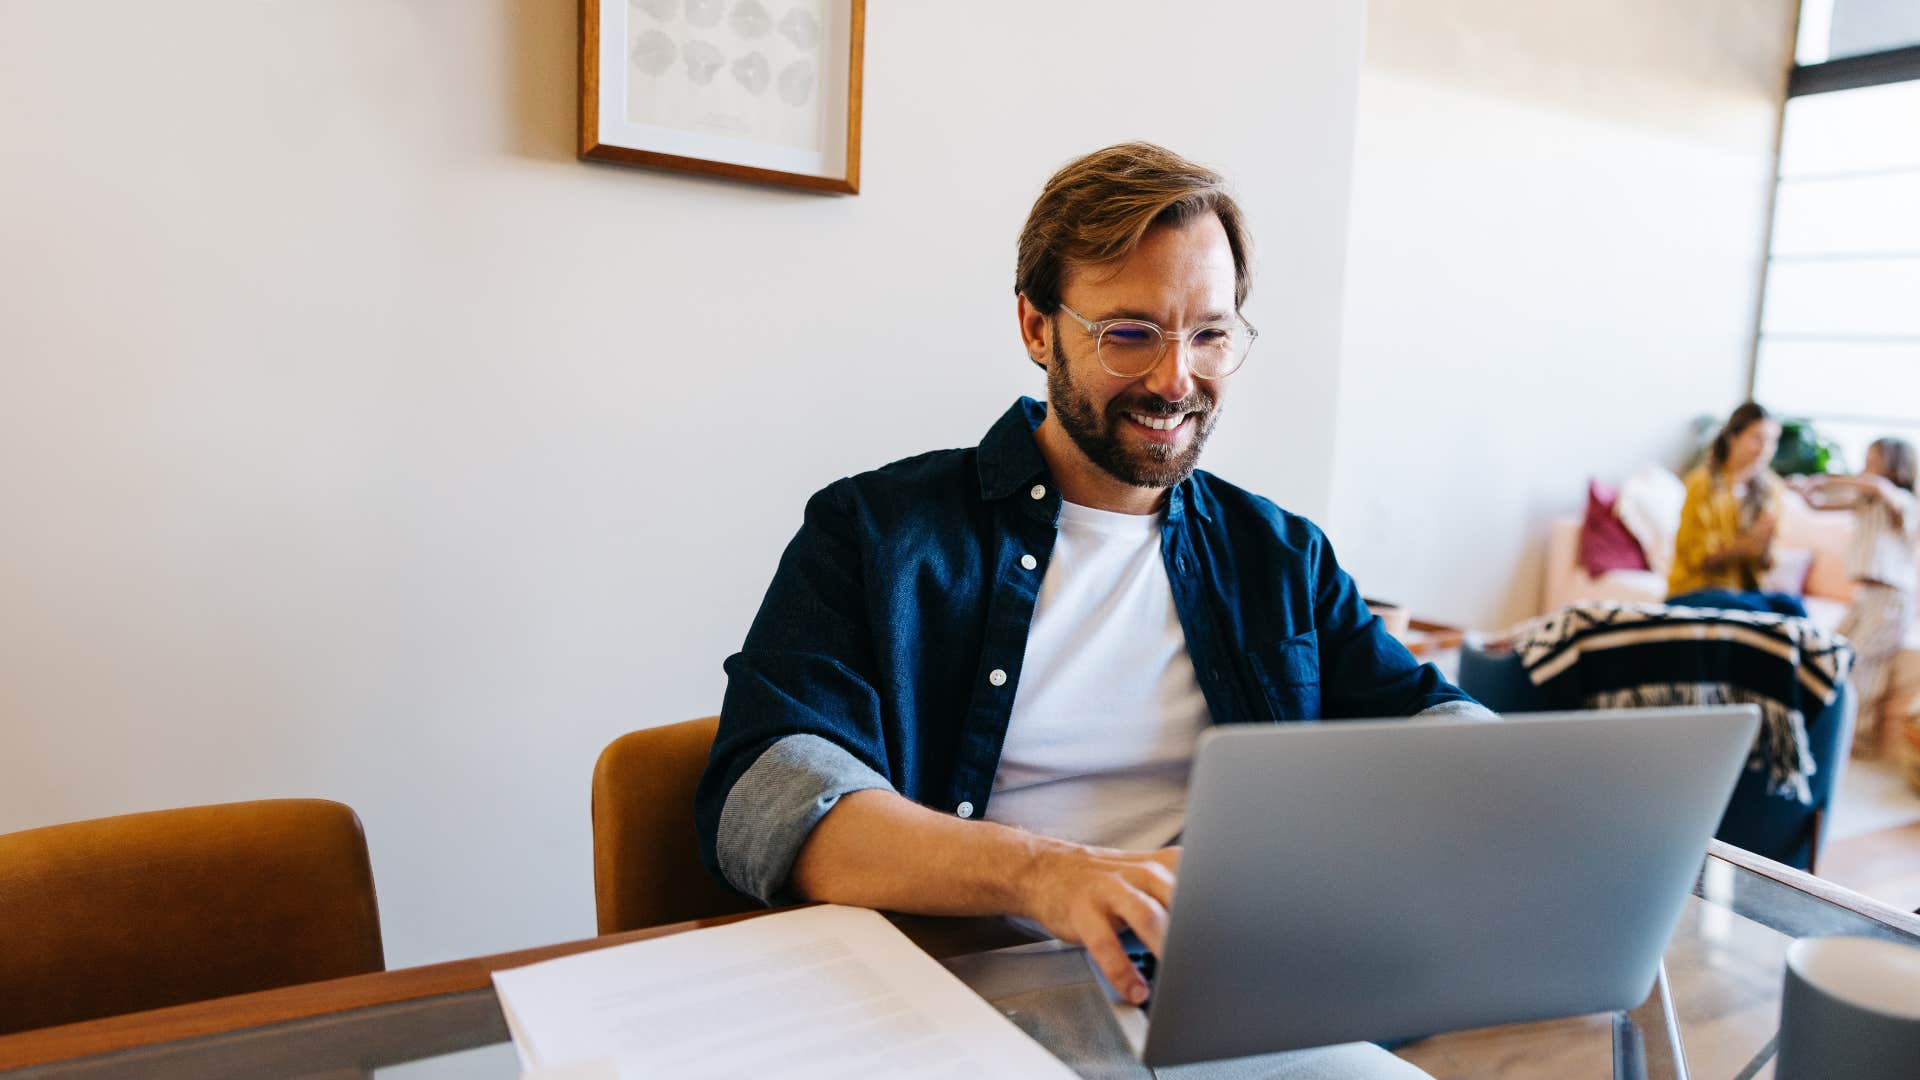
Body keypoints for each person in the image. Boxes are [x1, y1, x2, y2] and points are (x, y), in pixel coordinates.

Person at [693, 143, 1485, 1076]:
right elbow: (768, 794)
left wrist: (1496, 772)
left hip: (1222, 1005)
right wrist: (1049, 874)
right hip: (954, 999)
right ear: (1037, 327)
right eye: (1130, 333)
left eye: (1210, 335)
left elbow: (1429, 721)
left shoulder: (1279, 555)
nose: (1175, 380)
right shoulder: (876, 532)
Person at [1792, 438, 1918, 758]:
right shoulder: (1865, 500)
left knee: (1863, 664)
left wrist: (1822, 479)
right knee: (1836, 650)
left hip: (1891, 596)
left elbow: (1878, 487)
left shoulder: (1901, 499)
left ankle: (1856, 740)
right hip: (1865, 595)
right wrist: (1805, 491)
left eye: (1872, 461)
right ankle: (1830, 727)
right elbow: (1819, 505)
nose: (1866, 468)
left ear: (1893, 465)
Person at [1667, 402, 1808, 617]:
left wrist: (1766, 544)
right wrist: (1747, 544)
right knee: (1756, 613)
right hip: (1695, 591)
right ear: (1733, 437)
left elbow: (1768, 564)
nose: (1765, 449)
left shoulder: (1771, 490)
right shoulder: (1702, 484)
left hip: (1743, 593)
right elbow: (1698, 557)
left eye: (1771, 441)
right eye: (1757, 438)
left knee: (1793, 608)